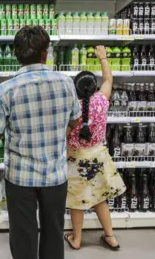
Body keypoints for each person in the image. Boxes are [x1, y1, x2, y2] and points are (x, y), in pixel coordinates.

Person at [0, 25, 81, 259]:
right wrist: (57, 132)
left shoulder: (6, 90)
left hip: (21, 177)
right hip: (55, 175)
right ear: (45, 53)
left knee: (23, 234)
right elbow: (76, 121)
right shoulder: (66, 84)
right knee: (54, 231)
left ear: (15, 53)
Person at [63, 46, 127, 251]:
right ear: (93, 87)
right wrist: (103, 58)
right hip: (99, 156)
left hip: (76, 159)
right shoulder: (101, 101)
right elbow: (108, 80)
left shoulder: (71, 109)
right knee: (101, 199)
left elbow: (65, 136)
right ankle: (110, 237)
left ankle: (77, 239)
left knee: (76, 202)